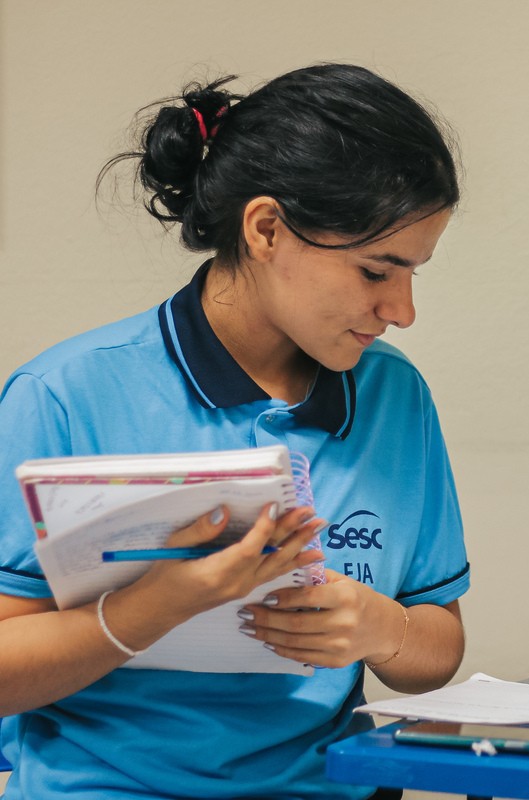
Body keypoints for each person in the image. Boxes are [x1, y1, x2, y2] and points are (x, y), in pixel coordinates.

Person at [0, 64, 469, 799]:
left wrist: (381, 628)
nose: (402, 311)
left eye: (414, 272)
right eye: (377, 271)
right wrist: (147, 610)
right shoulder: (62, 396)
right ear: (266, 230)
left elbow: (437, 643)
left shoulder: (394, 396)